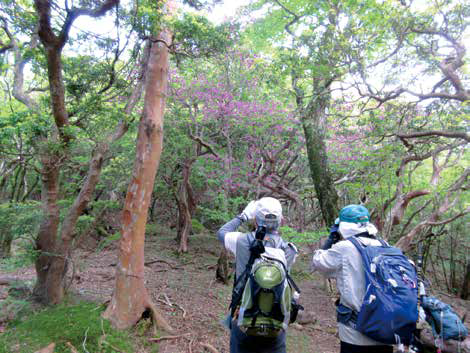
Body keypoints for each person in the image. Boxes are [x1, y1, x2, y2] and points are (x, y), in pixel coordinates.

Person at [217, 197, 299, 353]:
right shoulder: (289, 250)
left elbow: (222, 232)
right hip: (275, 327)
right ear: (281, 221)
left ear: (255, 220)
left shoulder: (241, 241)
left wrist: (243, 216)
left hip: (243, 321)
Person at [311, 204, 393, 353]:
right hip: (385, 330)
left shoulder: (345, 248)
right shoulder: (385, 246)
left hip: (355, 334)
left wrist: (331, 238)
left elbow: (318, 263)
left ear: (343, 226)